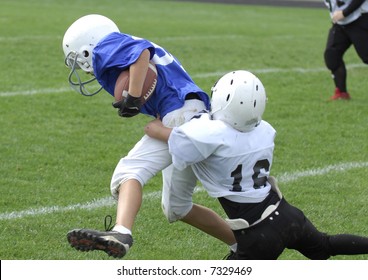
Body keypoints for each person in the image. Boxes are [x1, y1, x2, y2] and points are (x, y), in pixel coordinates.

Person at [62, 14, 236, 258]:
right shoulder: (119, 43)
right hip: (192, 113)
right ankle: (242, 245)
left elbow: (141, 52)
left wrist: (133, 96)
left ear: (86, 48)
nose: (78, 66)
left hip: (179, 116)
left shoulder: (104, 46)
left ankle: (121, 231)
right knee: (177, 208)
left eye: (76, 59)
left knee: (128, 172)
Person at [145, 70, 368, 259]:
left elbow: (156, 132)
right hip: (287, 214)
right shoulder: (266, 131)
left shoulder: (211, 135)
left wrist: (159, 120)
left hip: (257, 235)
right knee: (325, 246)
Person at [323, 0, 368, 100]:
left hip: (361, 18)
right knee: (332, 55)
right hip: (341, 23)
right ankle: (341, 93)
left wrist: (344, 13)